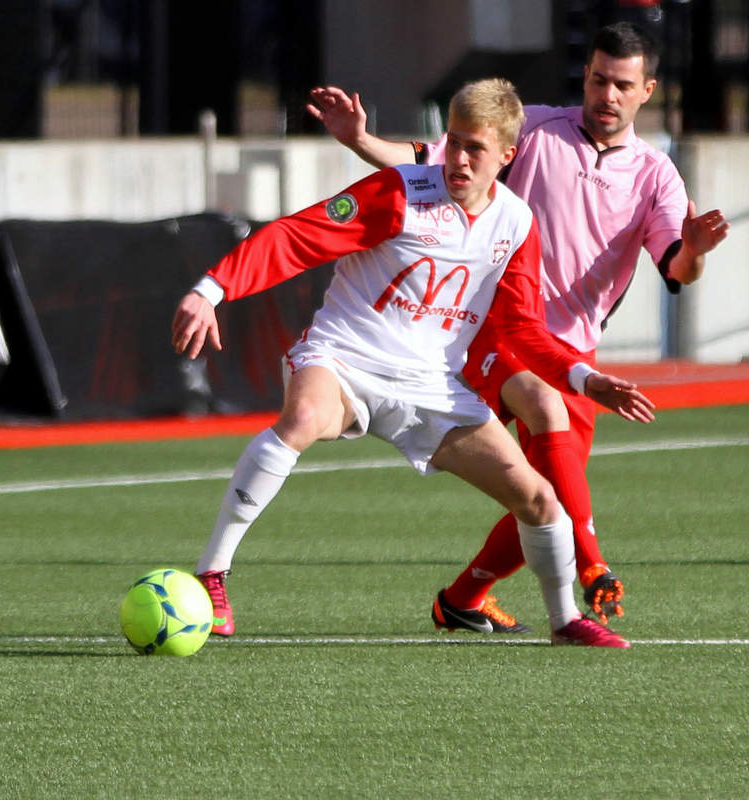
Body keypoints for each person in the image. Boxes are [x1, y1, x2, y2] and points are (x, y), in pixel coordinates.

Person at [173, 77, 654, 648]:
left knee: (540, 499)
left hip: (432, 386)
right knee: (301, 420)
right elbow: (297, 237)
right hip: (345, 358)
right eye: (453, 141)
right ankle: (212, 574)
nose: (458, 158)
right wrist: (211, 289)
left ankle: (564, 620)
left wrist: (585, 377)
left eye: (476, 148)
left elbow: (523, 327)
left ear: (506, 154)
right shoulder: (400, 191)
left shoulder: (516, 223)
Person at [306, 21, 729, 629]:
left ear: (647, 91)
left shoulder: (656, 175)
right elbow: (433, 158)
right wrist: (362, 140)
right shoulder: (533, 127)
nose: (608, 94)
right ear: (585, 75)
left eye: (624, 85)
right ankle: (591, 570)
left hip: (571, 356)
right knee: (546, 447)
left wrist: (694, 249)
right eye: (600, 79)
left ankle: (463, 597)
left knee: (545, 495)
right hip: (498, 335)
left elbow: (677, 268)